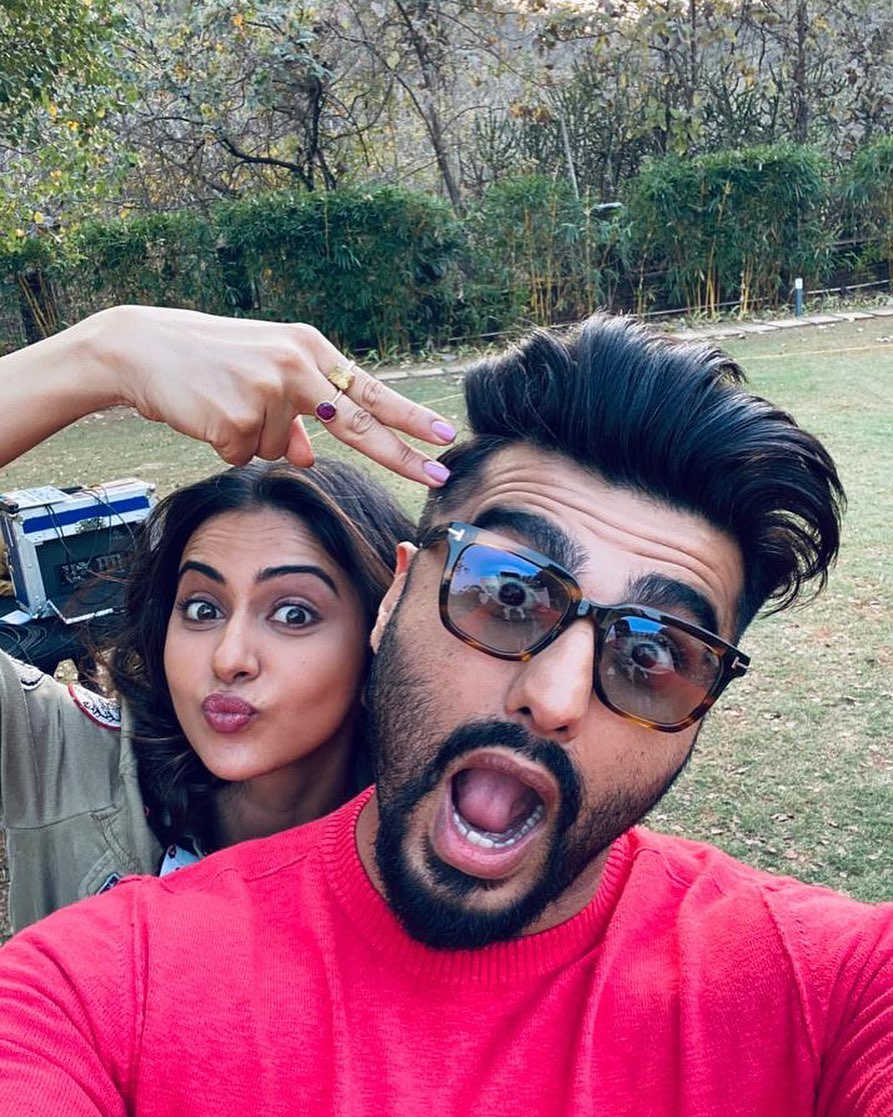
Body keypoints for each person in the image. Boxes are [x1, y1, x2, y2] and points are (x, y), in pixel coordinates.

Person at [0, 314, 889, 1114]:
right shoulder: (98, 985)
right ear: (397, 599)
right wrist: (103, 351)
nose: (554, 697)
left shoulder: (832, 989)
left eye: (652, 656)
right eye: (508, 593)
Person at [0, 304, 448, 930]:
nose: (229, 657)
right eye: (202, 608)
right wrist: (105, 353)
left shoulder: (450, 842)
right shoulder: (63, 760)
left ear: (382, 630)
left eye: (293, 613)